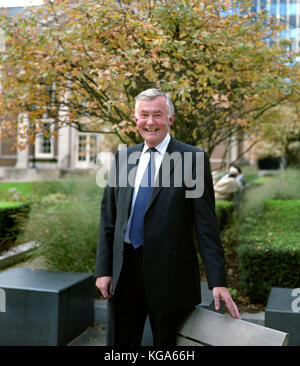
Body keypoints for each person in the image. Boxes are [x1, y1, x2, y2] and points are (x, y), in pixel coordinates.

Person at [95, 88, 240, 347]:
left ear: (171, 119)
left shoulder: (192, 160)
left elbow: (206, 226)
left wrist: (217, 281)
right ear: (135, 118)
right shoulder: (123, 158)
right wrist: (104, 270)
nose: (150, 122)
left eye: (158, 115)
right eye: (144, 115)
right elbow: (109, 219)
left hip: (171, 279)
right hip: (124, 274)